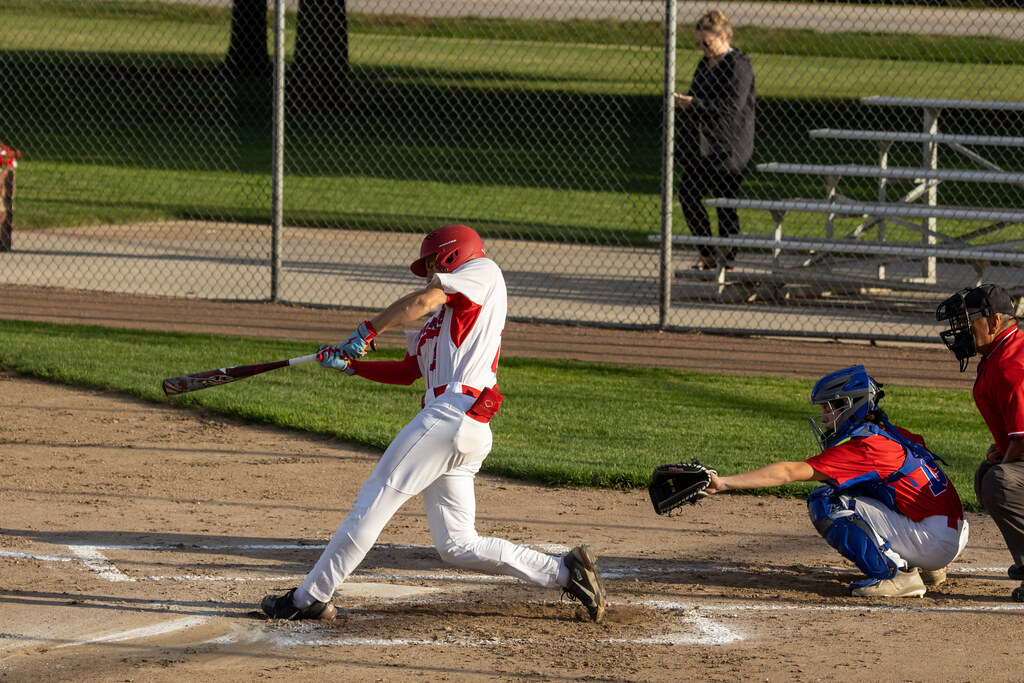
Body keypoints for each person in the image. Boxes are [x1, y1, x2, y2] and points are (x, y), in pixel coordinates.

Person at [260, 224, 608, 622]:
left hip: (455, 412)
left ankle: (309, 598)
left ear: (451, 255)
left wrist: (368, 330)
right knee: (457, 544)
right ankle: (565, 571)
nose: (428, 273)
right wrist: (352, 366)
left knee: (373, 499)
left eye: (431, 264)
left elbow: (424, 299)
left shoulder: (483, 272)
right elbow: (409, 371)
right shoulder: (436, 323)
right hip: (458, 424)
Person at [704, 365, 969, 597]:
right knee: (860, 485)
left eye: (828, 409)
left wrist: (724, 483)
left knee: (826, 500)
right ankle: (933, 567)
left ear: (850, 406)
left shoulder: (865, 448)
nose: (823, 418)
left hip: (933, 541)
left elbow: (789, 472)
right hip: (952, 531)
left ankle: (896, 575)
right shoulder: (888, 432)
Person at [936, 283, 1024, 601]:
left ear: (994, 322)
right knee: (989, 473)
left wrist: (1012, 454)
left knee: (1002, 482)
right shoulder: (1003, 352)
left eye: (967, 320)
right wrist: (1005, 447)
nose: (960, 329)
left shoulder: (1011, 365)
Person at [674, 9, 756, 271]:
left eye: (706, 42)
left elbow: (733, 104)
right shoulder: (704, 64)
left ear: (722, 37)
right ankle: (708, 253)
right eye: (698, 43)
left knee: (724, 201)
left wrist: (694, 104)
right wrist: (685, 102)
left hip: (729, 147)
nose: (702, 48)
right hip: (703, 145)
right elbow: (697, 97)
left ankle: (727, 260)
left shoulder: (738, 65)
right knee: (688, 194)